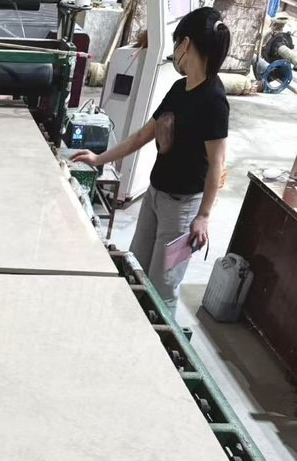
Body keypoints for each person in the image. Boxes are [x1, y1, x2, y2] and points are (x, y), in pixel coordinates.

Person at [73, 7, 231, 311]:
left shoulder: (214, 100)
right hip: (156, 196)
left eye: (177, 43)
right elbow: (141, 136)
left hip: (183, 209)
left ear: (186, 44)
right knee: (136, 268)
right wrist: (99, 158)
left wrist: (204, 216)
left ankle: (156, 337)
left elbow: (217, 164)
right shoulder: (179, 89)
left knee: (163, 287)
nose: (175, 50)